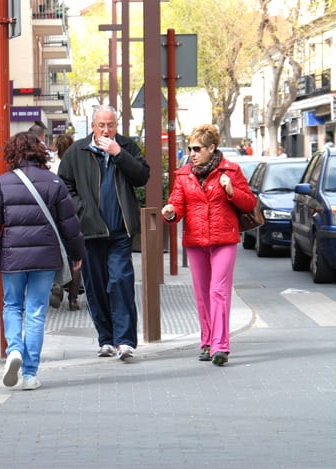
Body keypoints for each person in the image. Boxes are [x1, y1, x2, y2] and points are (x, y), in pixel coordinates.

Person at [0, 131, 85, 390]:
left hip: (13, 257)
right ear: (40, 152)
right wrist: (77, 254)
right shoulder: (53, 183)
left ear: (12, 154)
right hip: (46, 257)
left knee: (12, 306)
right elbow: (70, 224)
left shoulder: (2, 184)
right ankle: (30, 374)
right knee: (36, 312)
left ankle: (14, 349)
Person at [58, 105, 150, 360]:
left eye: (111, 125)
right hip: (90, 232)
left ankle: (125, 341)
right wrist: (81, 209)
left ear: (116, 125)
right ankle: (106, 339)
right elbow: (64, 185)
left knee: (120, 281)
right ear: (93, 126)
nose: (106, 130)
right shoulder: (77, 151)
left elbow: (142, 176)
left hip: (120, 231)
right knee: (96, 287)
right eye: (102, 125)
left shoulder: (127, 147)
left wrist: (119, 154)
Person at [162, 124, 256, 366]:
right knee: (202, 294)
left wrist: (231, 190)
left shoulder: (231, 170)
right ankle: (206, 342)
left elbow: (249, 203)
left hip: (224, 238)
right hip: (196, 241)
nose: (192, 153)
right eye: (190, 148)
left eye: (197, 148)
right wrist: (170, 211)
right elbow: (177, 204)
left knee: (218, 291)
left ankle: (220, 346)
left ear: (211, 148)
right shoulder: (184, 175)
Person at [48, 134, 82, 310]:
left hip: (54, 216)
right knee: (76, 257)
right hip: (74, 214)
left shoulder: (52, 167)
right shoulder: (78, 164)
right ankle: (73, 299)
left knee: (58, 253)